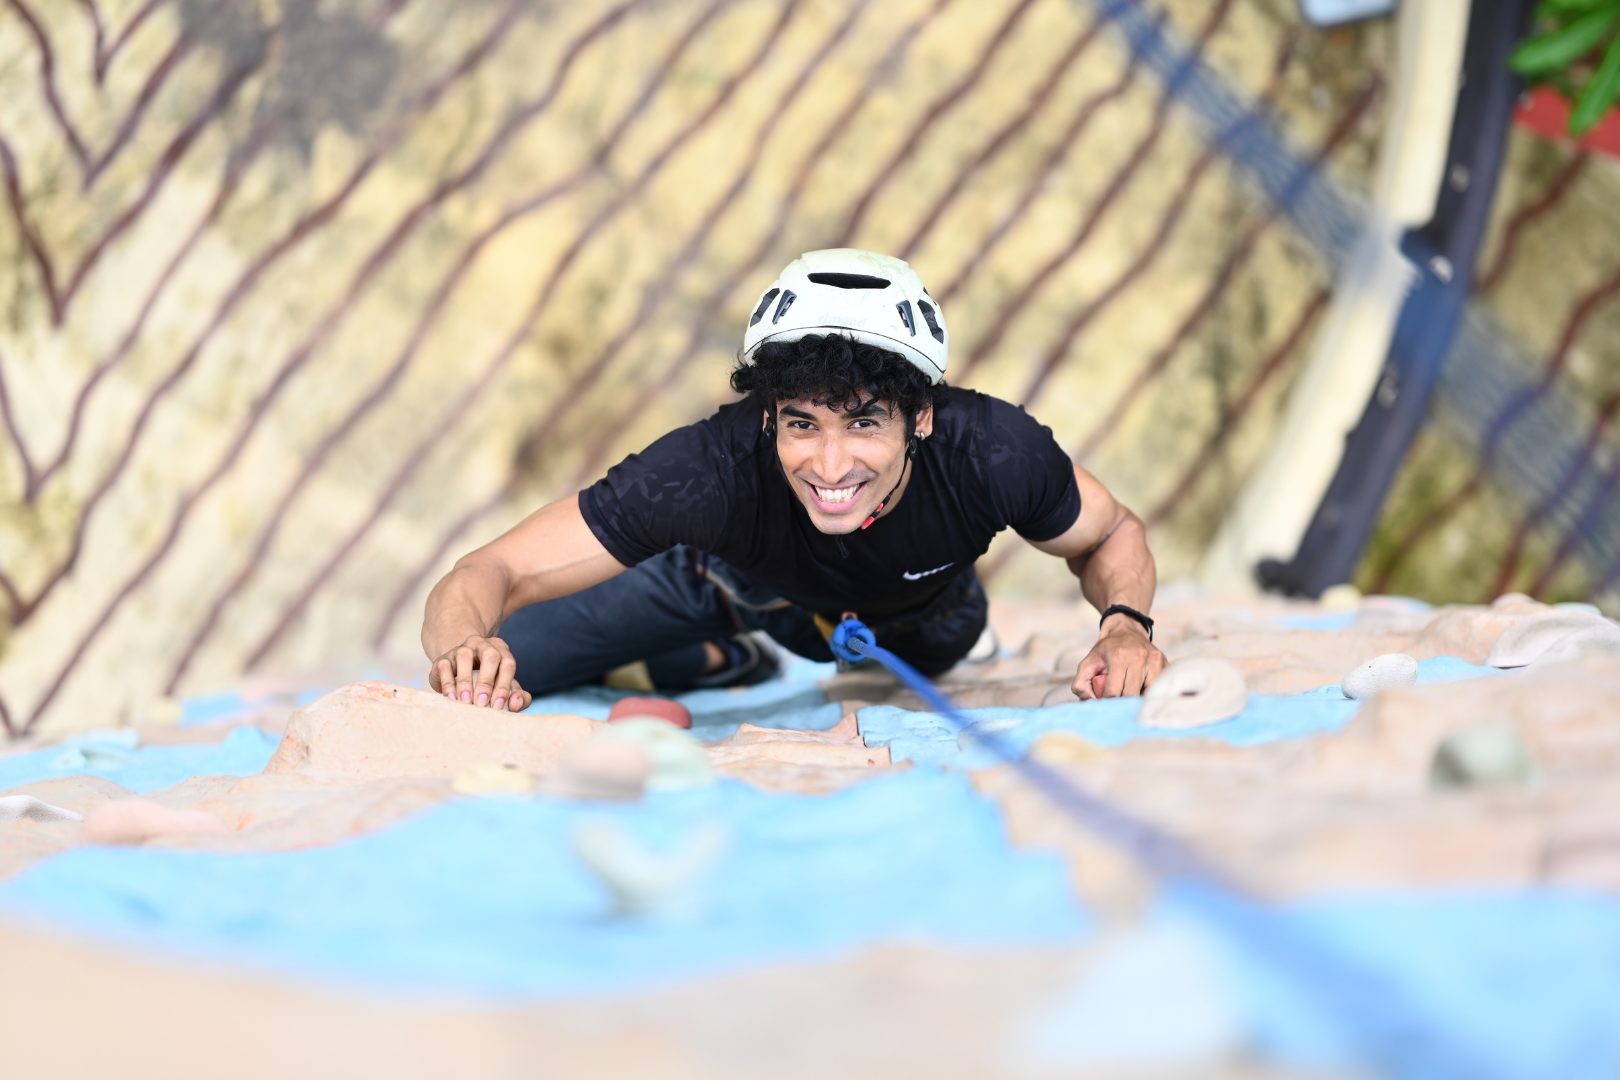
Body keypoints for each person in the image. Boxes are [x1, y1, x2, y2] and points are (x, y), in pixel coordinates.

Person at [422, 248, 1167, 713]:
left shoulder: (993, 451)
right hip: (730, 587)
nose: (830, 467)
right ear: (768, 414)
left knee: (937, 651)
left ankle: (702, 655)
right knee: (512, 659)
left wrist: (1126, 626)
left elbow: (1111, 532)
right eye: (803, 424)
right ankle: (717, 655)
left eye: (864, 423)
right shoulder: (706, 467)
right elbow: (489, 570)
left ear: (922, 418)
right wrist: (463, 647)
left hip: (923, 619)